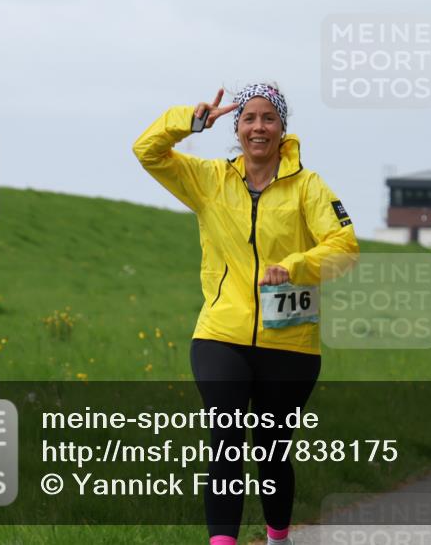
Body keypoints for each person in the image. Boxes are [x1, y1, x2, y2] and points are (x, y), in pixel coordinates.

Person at [133, 84, 360, 545]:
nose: (259, 127)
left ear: (282, 128)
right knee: (226, 441)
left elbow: (345, 248)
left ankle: (278, 537)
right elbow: (147, 151)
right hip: (221, 334)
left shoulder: (309, 187)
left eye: (268, 118)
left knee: (272, 452)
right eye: (249, 118)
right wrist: (189, 121)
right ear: (236, 128)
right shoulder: (210, 179)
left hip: (291, 342)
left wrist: (295, 266)